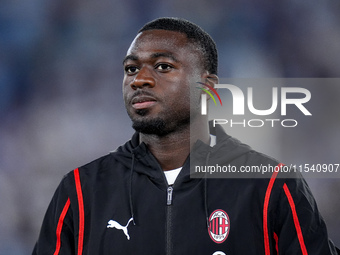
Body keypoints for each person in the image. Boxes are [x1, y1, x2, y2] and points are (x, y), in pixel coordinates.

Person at [33, 17, 339, 255]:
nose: (139, 79)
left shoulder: (271, 186)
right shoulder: (80, 191)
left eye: (163, 66)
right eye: (130, 69)